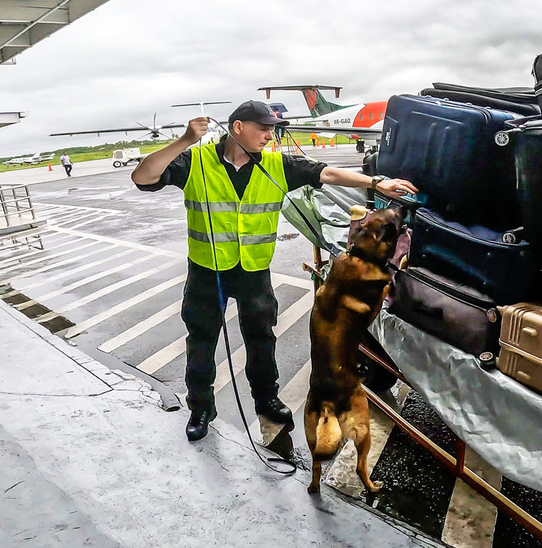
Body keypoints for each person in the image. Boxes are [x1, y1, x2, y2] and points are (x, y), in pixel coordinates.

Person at [131, 101, 416, 441]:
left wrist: (376, 182)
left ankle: (267, 400)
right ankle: (201, 407)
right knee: (202, 342)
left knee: (261, 340)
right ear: (238, 127)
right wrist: (184, 141)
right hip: (209, 272)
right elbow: (142, 177)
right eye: (263, 128)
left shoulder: (278, 164)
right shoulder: (195, 162)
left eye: (272, 129)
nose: (270, 135)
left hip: (254, 272)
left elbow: (326, 173)